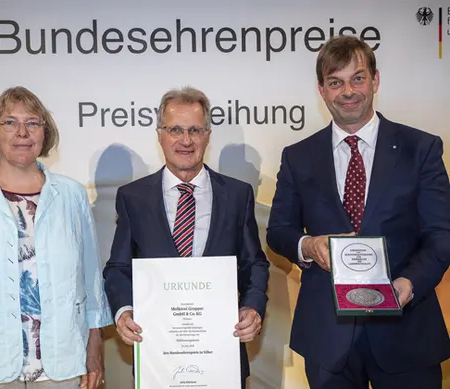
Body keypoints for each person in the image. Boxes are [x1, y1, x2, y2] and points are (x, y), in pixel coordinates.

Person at [267, 35, 450, 389]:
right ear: (322, 90)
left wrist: (408, 284)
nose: (348, 91)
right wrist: (309, 245)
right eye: (335, 82)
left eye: (358, 78)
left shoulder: (421, 148)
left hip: (406, 330)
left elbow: (441, 235)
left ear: (375, 80)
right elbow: (279, 230)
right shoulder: (298, 156)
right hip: (327, 335)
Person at [103, 86, 270, 389]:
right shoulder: (133, 197)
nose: (185, 140)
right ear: (160, 134)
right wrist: (124, 311)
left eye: (194, 129)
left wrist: (253, 307)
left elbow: (254, 264)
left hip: (222, 356)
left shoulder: (237, 195)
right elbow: (118, 268)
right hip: (157, 359)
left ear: (207, 134)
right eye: (175, 129)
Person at [0, 87, 112, 389]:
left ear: (44, 133)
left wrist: (95, 348)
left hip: (62, 365)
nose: (22, 132)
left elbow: (90, 279)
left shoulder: (72, 195)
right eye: (9, 122)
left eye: (33, 123)